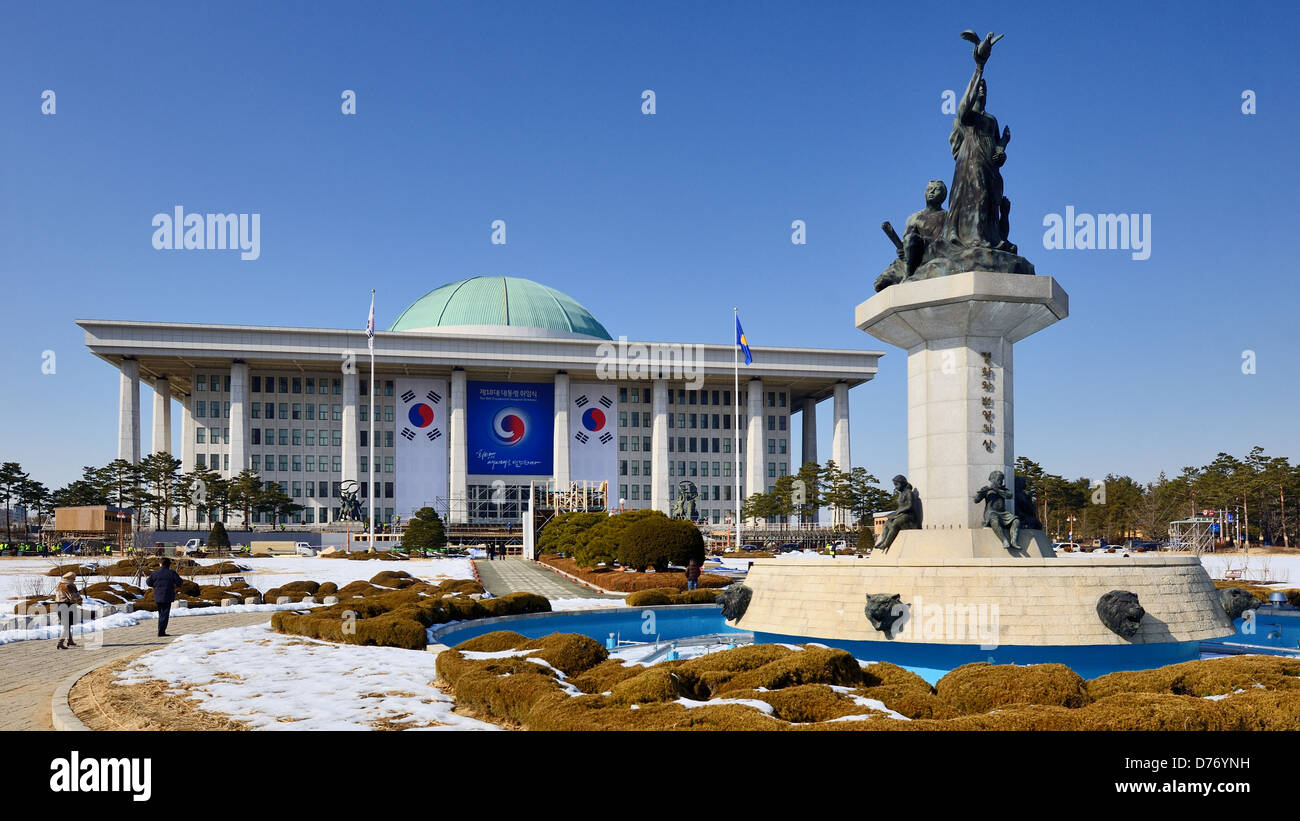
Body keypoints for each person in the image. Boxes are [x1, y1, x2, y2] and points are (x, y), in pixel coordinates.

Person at [147, 557, 184, 638]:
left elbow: (148, 583)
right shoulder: (172, 573)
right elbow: (180, 582)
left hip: (157, 596)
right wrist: (174, 586)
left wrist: (156, 585)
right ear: (169, 565)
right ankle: (161, 631)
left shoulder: (155, 573)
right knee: (165, 614)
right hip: (168, 595)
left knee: (161, 613)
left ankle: (161, 629)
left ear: (160, 564)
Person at [54, 571, 81, 650]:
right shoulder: (69, 585)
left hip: (59, 605)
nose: (74, 580)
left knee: (67, 625)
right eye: (73, 578)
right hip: (67, 605)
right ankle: (60, 642)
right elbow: (72, 597)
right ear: (70, 578)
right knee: (67, 625)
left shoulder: (60, 584)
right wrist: (79, 593)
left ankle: (70, 641)